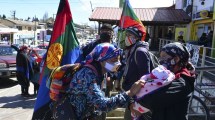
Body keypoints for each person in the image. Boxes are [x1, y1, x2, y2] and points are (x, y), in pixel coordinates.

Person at [50, 43, 145, 120]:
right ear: (101, 60)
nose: (118, 63)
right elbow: (102, 104)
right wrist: (130, 93)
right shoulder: (87, 75)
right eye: (114, 60)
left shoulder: (100, 72)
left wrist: (129, 103)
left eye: (118, 59)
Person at [130, 42, 195, 120]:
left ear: (176, 59)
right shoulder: (166, 77)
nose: (160, 61)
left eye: (164, 57)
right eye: (160, 57)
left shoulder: (181, 83)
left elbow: (151, 100)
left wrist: (132, 100)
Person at [122, 26, 155, 120]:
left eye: (130, 35)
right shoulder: (132, 50)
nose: (127, 37)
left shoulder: (140, 52)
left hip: (137, 97)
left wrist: (133, 100)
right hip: (131, 93)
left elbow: (145, 78)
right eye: (126, 35)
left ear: (136, 38)